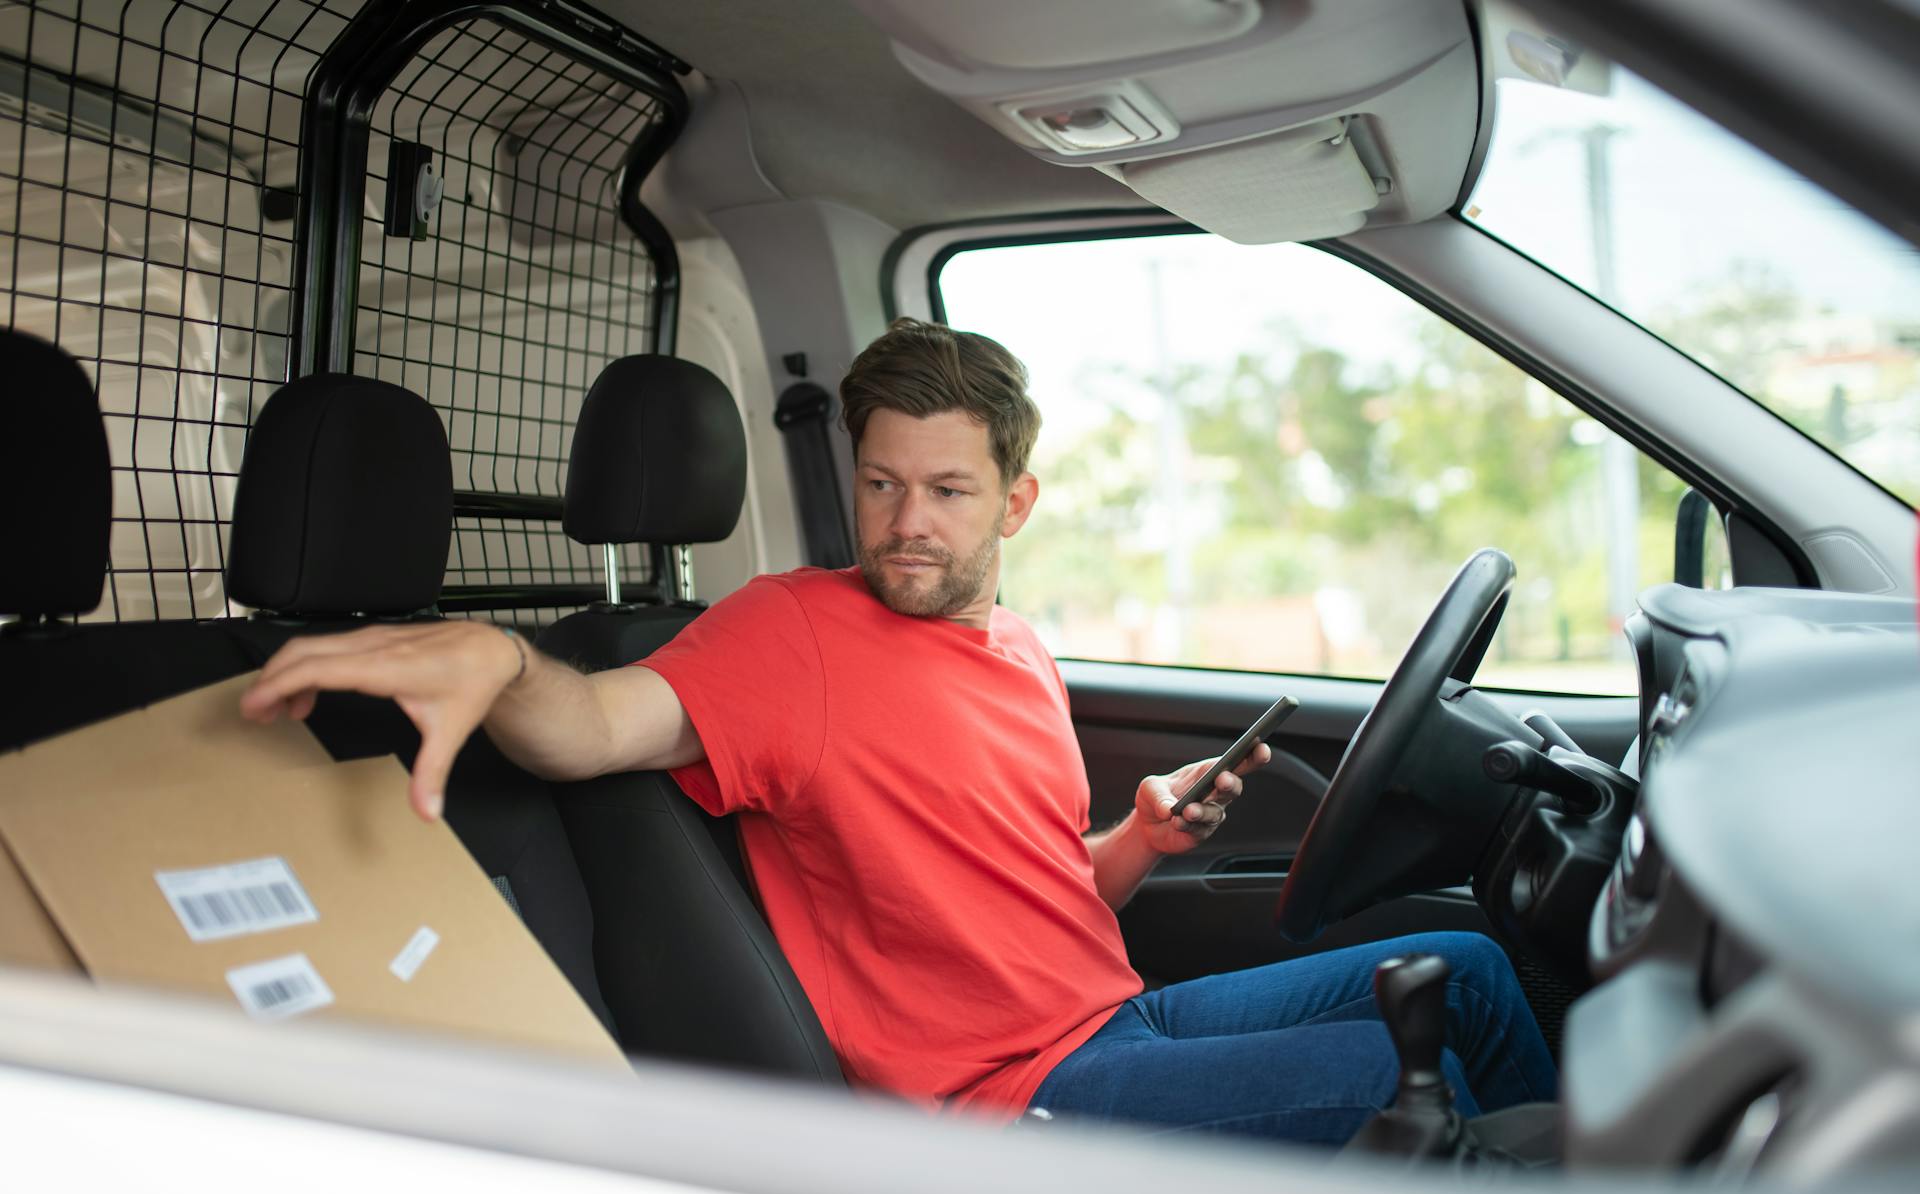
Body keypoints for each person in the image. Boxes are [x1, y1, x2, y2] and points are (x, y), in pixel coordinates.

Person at [241, 318, 1555, 1143]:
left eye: (944, 489)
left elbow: (1031, 890)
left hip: (1113, 1019)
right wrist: (494, 655)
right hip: (1005, 1102)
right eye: (879, 483)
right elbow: (590, 723)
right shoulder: (791, 631)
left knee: (1470, 968)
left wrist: (1141, 841)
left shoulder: (1021, 648)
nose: (905, 521)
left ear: (1016, 502)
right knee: (1416, 1063)